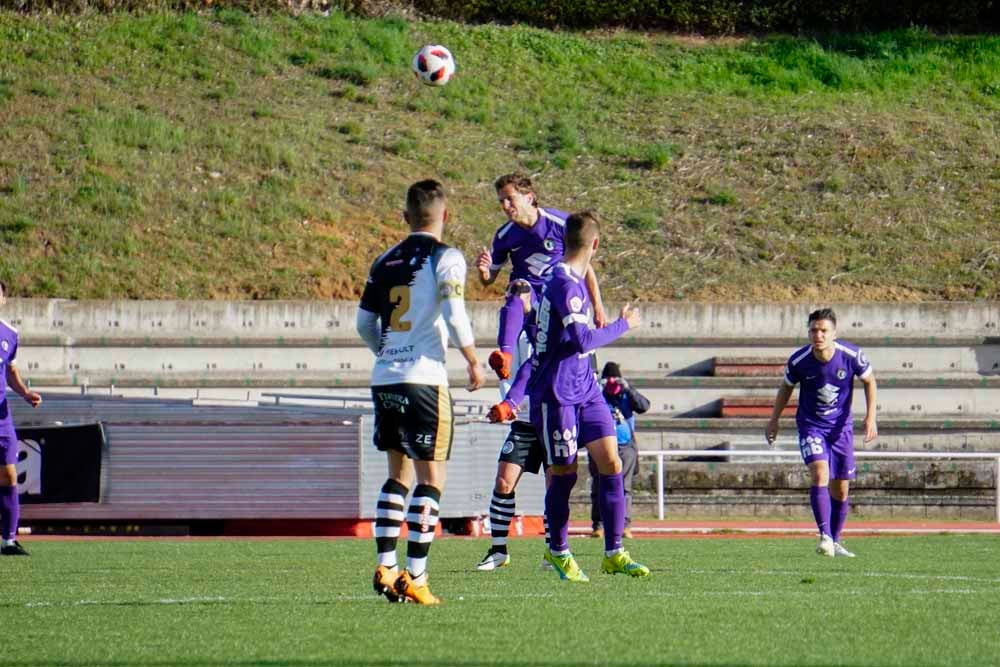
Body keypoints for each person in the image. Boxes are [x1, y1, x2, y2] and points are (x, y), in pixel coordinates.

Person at [356, 179, 486, 604]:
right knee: (433, 479)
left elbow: (363, 325)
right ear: (445, 216)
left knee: (398, 475)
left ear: (404, 217)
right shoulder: (446, 257)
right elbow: (453, 310)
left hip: (386, 377)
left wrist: (389, 352)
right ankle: (416, 576)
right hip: (425, 379)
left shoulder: (383, 261)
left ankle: (386, 565)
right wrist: (471, 358)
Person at [526, 210, 649, 582]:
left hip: (587, 388)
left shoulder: (574, 279)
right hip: (557, 394)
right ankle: (559, 551)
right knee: (565, 473)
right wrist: (622, 325)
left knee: (610, 462)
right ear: (595, 245)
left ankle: (614, 552)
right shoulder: (563, 283)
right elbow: (582, 340)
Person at [765, 308, 877, 558]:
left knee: (841, 489)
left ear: (834, 333)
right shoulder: (799, 360)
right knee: (820, 472)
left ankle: (835, 541)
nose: (818, 335)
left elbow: (870, 381)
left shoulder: (851, 355)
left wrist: (871, 416)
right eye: (814, 330)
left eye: (824, 330)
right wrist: (774, 420)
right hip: (811, 426)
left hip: (841, 429)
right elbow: (786, 387)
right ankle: (824, 535)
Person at [476, 173, 606, 380]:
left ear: (529, 197)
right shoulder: (504, 235)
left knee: (566, 362)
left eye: (510, 198)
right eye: (501, 201)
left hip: (562, 299)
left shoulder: (560, 223)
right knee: (518, 288)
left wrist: (598, 306)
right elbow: (489, 278)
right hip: (532, 304)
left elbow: (585, 265)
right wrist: (484, 272)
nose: (505, 205)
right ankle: (505, 355)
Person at [475, 285, 550, 571]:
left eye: (520, 293)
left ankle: (554, 551)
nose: (514, 299)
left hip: (551, 416)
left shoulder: (546, 325)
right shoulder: (511, 332)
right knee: (503, 482)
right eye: (511, 293)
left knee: (554, 487)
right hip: (522, 421)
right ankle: (498, 550)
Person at [0, 281, 42, 556]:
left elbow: (10, 371)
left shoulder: (9, 334)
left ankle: (8, 541)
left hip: (1, 416)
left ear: (3, 299)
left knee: (8, 474)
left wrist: (25, 392)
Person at [589, 362, 650, 540]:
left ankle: (624, 525)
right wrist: (597, 387)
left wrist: (628, 388)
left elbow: (644, 406)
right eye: (609, 379)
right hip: (601, 445)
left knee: (625, 488)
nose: (612, 382)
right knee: (599, 485)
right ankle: (599, 525)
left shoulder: (626, 395)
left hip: (626, 446)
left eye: (615, 378)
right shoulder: (598, 394)